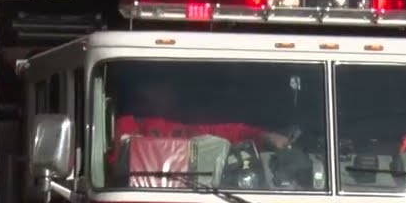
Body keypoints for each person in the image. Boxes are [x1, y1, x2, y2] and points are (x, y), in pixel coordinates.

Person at [113, 83, 289, 150]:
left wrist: (262, 136)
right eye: (153, 83)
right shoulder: (125, 125)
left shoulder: (190, 127)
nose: (164, 92)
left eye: (167, 86)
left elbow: (230, 132)